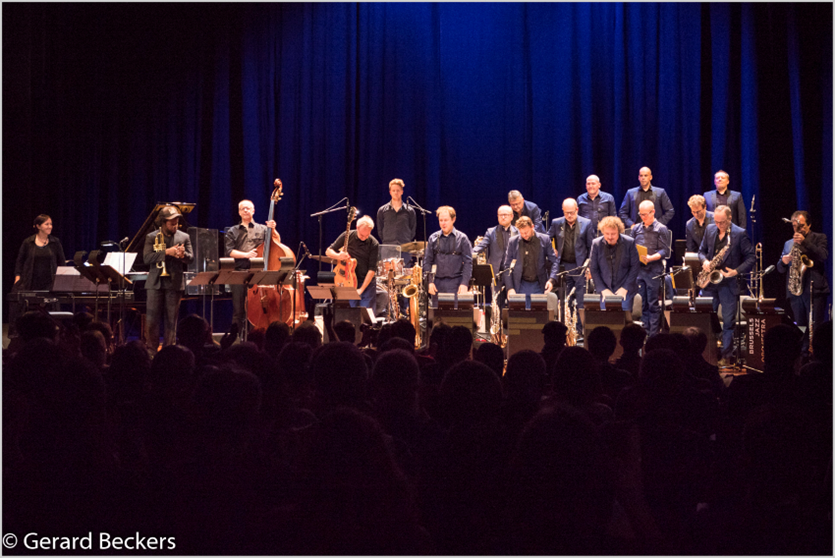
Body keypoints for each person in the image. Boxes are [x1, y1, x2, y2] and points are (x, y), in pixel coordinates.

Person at [698, 205, 756, 364]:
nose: (718, 225)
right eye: (716, 222)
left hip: (729, 283)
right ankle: (707, 354)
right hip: (710, 282)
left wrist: (735, 271)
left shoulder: (740, 233)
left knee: (729, 322)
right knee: (706, 318)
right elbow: (701, 251)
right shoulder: (710, 229)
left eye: (722, 222)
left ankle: (726, 356)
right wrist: (705, 261)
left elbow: (751, 257)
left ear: (730, 218)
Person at [776, 210, 829, 355]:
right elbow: (780, 269)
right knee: (800, 327)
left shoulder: (819, 237)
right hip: (796, 291)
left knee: (815, 326)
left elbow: (823, 255)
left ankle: (817, 356)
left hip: (814, 290)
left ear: (809, 225)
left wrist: (804, 242)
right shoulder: (788, 243)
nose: (798, 229)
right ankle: (803, 356)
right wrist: (784, 262)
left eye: (801, 226)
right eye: (794, 226)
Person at [224, 199, 280, 334]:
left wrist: (273, 230)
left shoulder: (263, 229)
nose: (245, 210)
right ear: (239, 212)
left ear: (253, 211)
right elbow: (229, 252)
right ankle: (237, 339)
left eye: (248, 208)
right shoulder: (232, 231)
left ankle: (255, 337)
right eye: (242, 208)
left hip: (258, 274)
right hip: (238, 273)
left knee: (256, 309)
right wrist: (246, 255)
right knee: (238, 310)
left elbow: (277, 242)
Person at [144, 206, 194, 351]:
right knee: (152, 321)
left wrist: (183, 255)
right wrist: (167, 252)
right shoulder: (151, 237)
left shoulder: (184, 237)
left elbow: (191, 258)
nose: (175, 226)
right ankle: (151, 351)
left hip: (174, 283)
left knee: (171, 321)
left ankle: (169, 351)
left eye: (176, 223)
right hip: (155, 283)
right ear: (163, 222)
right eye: (172, 223)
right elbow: (146, 258)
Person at [10, 214, 68, 336]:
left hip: (49, 282)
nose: (50, 226)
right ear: (38, 226)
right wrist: (17, 277)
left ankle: (51, 336)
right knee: (25, 310)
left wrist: (61, 280)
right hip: (30, 281)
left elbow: (62, 262)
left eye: (51, 224)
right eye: (47, 224)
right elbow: (19, 261)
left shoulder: (55, 242)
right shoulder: (28, 242)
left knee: (49, 311)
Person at [548, 198, 594, 329]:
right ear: (563, 211)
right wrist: (552, 249)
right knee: (564, 299)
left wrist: (589, 267)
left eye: (572, 212)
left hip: (580, 267)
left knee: (580, 300)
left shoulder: (586, 223)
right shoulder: (556, 223)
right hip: (563, 267)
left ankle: (579, 329)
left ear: (577, 210)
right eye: (566, 212)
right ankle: (565, 328)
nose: (569, 215)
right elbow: (546, 239)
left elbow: (591, 247)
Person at [630, 200, 671, 337]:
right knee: (642, 303)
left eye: (645, 214)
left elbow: (665, 251)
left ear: (653, 212)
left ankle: (653, 335)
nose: (643, 217)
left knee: (652, 302)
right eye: (640, 214)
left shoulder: (661, 228)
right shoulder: (636, 229)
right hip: (639, 270)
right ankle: (644, 332)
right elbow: (630, 247)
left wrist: (651, 257)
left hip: (654, 269)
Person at [326, 215, 380, 308]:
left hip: (366, 283)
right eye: (362, 235)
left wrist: (361, 289)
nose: (364, 238)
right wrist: (338, 256)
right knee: (352, 311)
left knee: (366, 313)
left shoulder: (374, 243)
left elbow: (372, 269)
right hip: (349, 281)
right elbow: (328, 251)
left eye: (367, 235)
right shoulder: (347, 236)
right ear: (357, 228)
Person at [503, 217, 558, 305]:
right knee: (520, 313)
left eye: (526, 232)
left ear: (532, 227)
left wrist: (551, 280)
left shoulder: (545, 239)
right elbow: (507, 266)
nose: (524, 235)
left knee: (539, 312)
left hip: (539, 284)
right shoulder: (513, 241)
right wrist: (510, 288)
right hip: (520, 285)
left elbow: (554, 262)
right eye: (521, 233)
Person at [589, 216, 640, 312]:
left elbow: (635, 267)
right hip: (605, 288)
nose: (610, 237)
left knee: (623, 315)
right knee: (606, 316)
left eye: (613, 234)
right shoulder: (596, 244)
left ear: (619, 232)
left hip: (625, 287)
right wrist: (603, 289)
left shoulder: (629, 243)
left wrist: (625, 288)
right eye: (607, 233)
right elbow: (594, 269)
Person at [424, 206, 472, 305]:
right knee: (438, 314)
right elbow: (427, 262)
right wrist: (429, 282)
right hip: (437, 284)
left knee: (455, 313)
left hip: (456, 283)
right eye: (440, 220)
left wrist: (464, 283)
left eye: (446, 220)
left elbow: (468, 263)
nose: (443, 223)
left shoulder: (462, 238)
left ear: (453, 219)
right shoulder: (433, 238)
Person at [472, 205, 518, 278]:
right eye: (500, 215)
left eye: (505, 215)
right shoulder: (491, 232)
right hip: (496, 272)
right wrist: (468, 254)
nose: (503, 217)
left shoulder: (518, 232)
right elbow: (481, 246)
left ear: (512, 217)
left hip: (512, 272)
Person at [376, 178, 416, 256]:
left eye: (398, 190)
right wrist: (388, 240)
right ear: (390, 192)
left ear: (402, 192)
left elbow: (412, 229)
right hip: (387, 248)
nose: (396, 193)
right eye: (393, 190)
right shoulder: (382, 210)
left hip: (405, 248)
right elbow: (380, 230)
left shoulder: (410, 210)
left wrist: (405, 240)